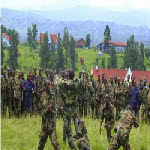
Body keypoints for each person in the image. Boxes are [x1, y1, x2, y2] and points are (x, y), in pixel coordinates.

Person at [59, 69, 82, 150]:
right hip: (74, 108)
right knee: (75, 117)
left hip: (66, 110)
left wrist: (62, 75)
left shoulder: (64, 83)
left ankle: (74, 148)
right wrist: (82, 66)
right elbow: (81, 79)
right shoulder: (77, 83)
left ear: (68, 76)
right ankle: (76, 128)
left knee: (69, 135)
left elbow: (59, 81)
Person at [38, 80, 60, 150]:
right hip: (44, 126)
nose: (50, 86)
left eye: (50, 84)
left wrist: (51, 111)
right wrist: (46, 111)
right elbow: (39, 111)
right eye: (48, 84)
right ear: (45, 86)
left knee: (55, 144)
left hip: (51, 126)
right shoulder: (42, 97)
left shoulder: (53, 96)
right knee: (40, 145)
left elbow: (56, 110)